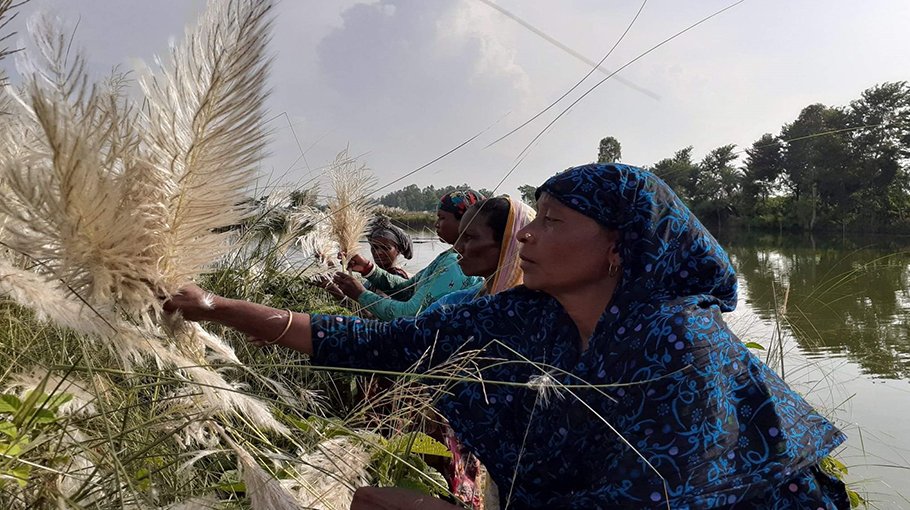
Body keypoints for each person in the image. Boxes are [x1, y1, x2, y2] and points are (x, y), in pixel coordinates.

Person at [165, 164, 849, 509]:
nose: (527, 237)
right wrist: (217, 307)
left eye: (551, 221)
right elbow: (381, 345)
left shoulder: (678, 340)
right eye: (534, 218)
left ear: (619, 246)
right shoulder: (526, 316)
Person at [332, 190, 484, 320]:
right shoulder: (448, 256)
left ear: (465, 221)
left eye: (442, 218)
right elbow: (409, 289)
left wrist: (361, 294)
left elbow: (410, 314)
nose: (436, 224)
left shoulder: (457, 264)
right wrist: (368, 269)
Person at [366, 215, 414, 279]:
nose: (378, 252)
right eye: (374, 247)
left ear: (397, 251)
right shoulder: (377, 276)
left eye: (385, 248)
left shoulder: (399, 277)